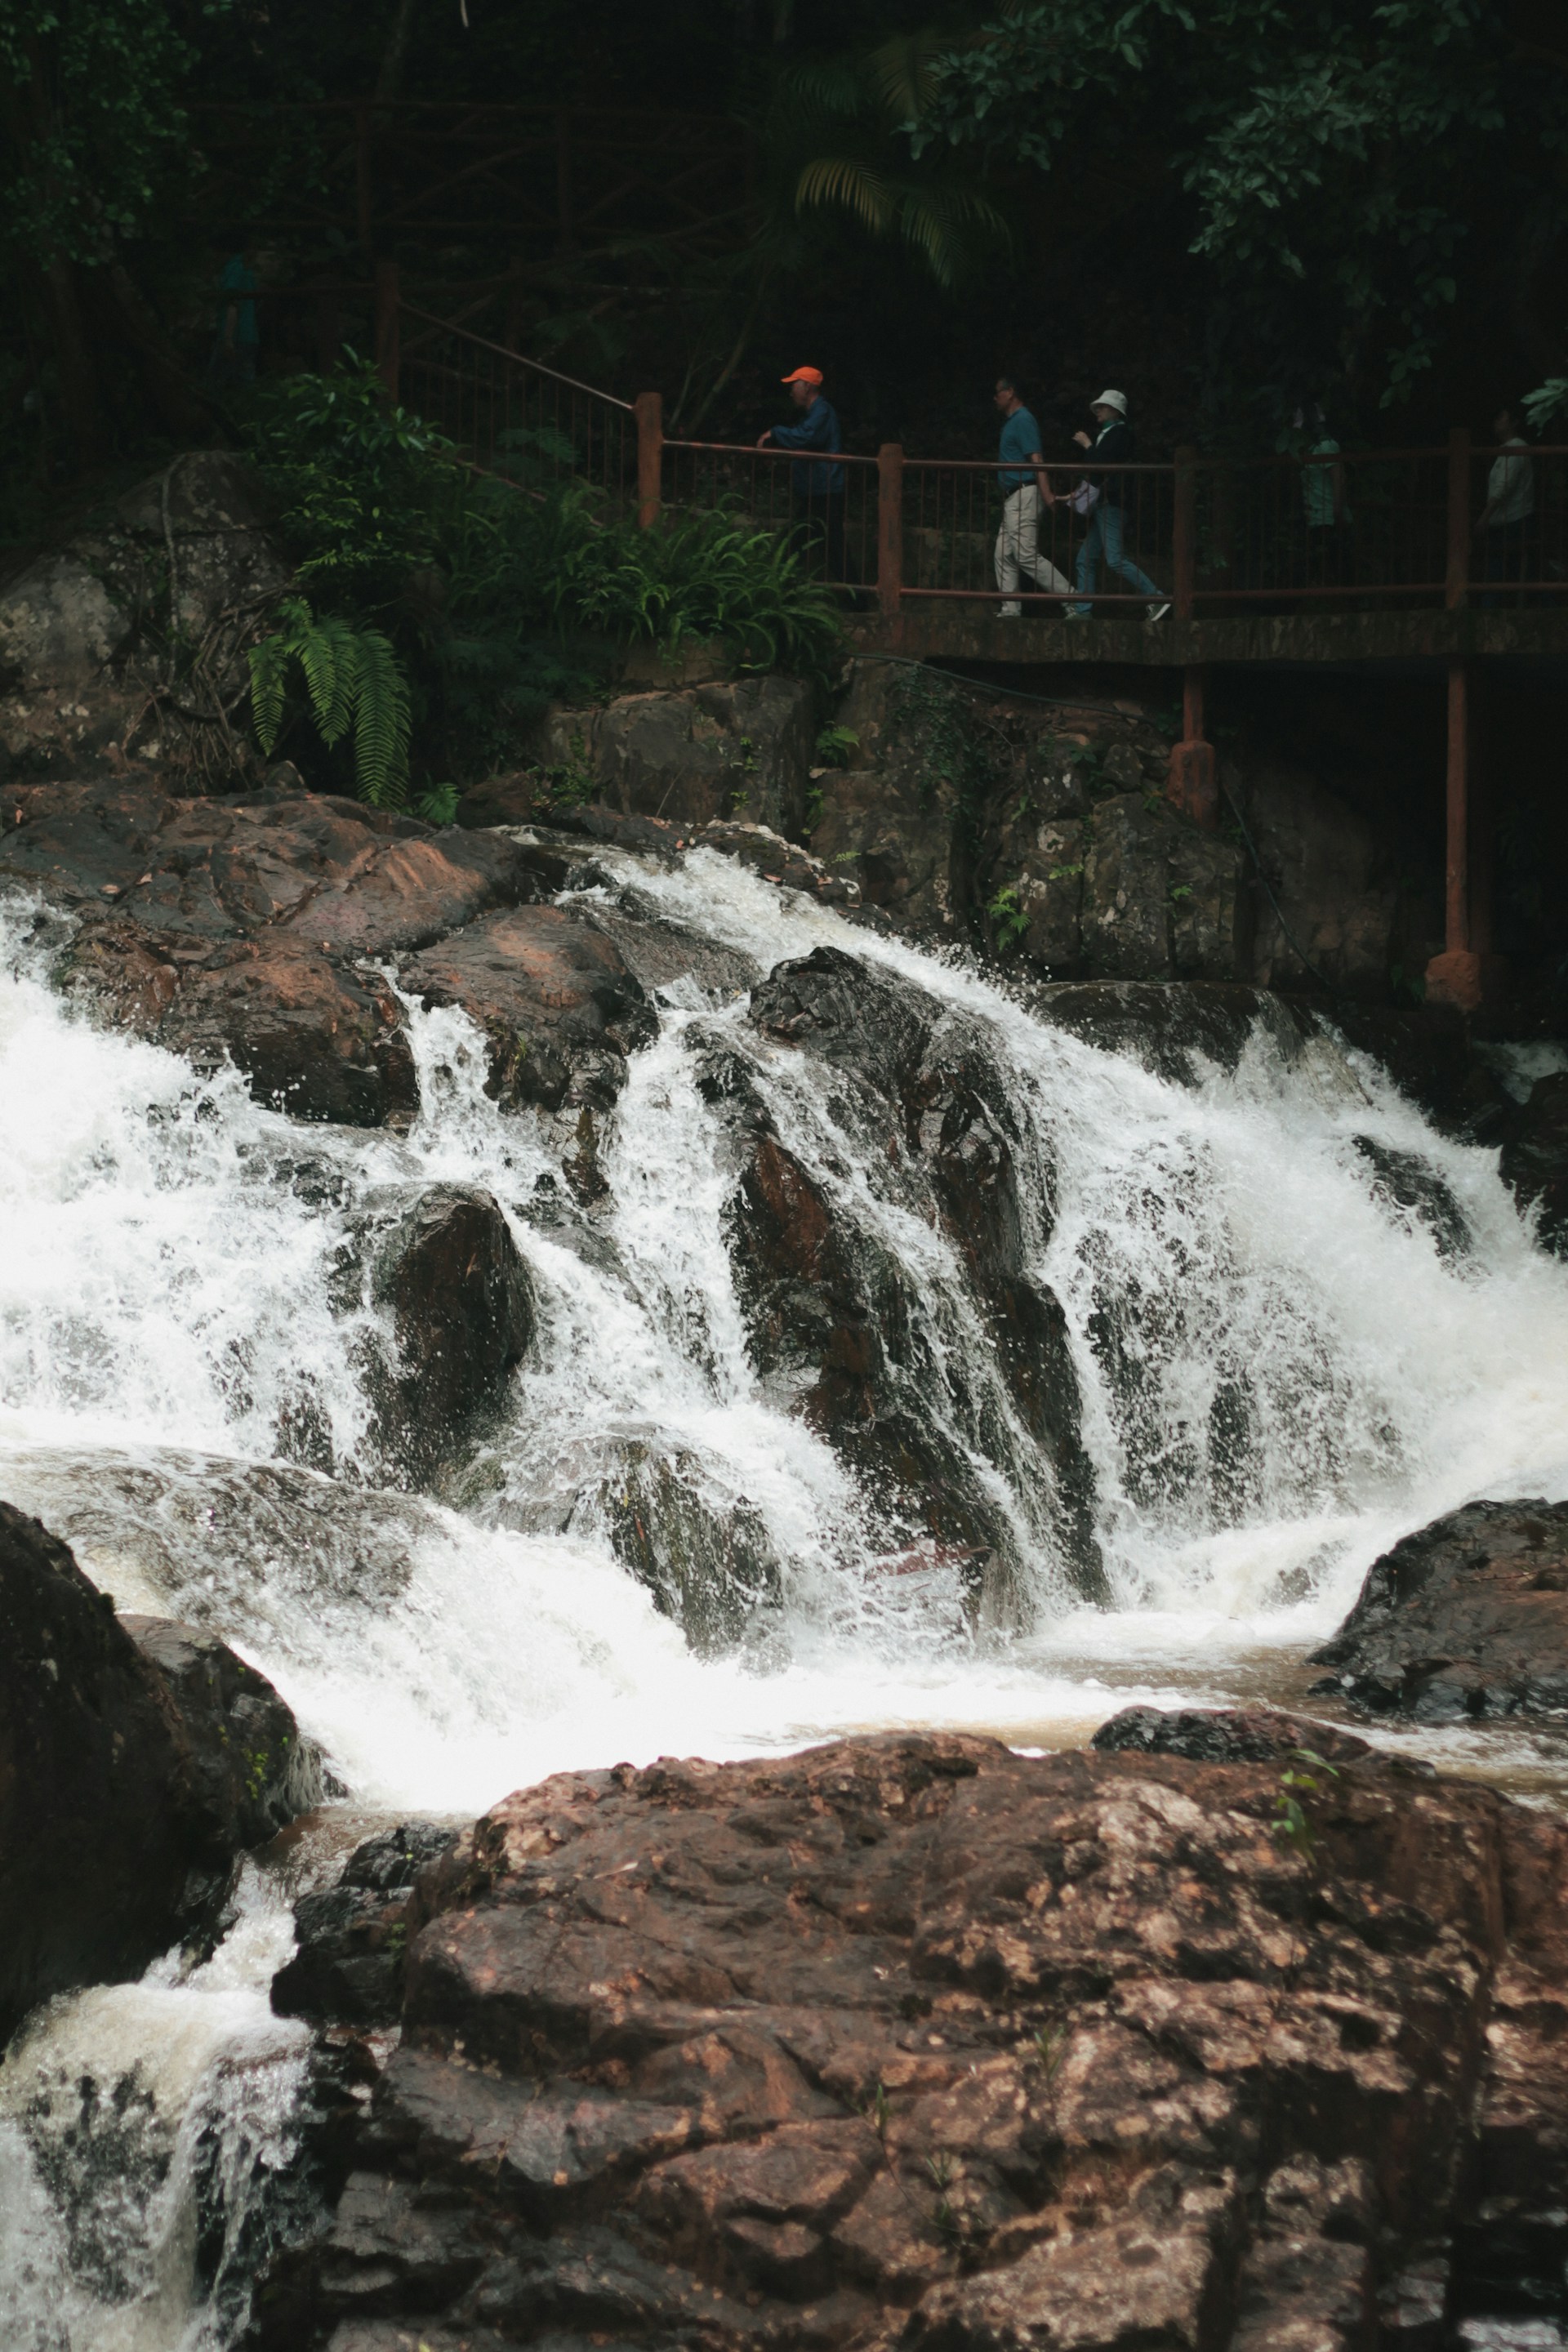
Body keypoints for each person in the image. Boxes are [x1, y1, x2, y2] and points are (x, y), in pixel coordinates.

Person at [1065, 388, 1169, 621]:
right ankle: (1083, 612)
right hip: (1105, 504)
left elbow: (1100, 465)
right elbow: (1097, 475)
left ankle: (1156, 597)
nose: (1098, 411)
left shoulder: (1120, 434)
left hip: (1113, 503)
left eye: (1102, 407)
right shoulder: (1110, 433)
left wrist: (1087, 445)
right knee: (1085, 559)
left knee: (1115, 560)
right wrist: (1075, 496)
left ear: (1114, 410)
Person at [759, 366, 847, 582]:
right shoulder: (816, 413)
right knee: (815, 544)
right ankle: (784, 590)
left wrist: (775, 432)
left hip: (824, 491)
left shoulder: (822, 411)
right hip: (818, 490)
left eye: (794, 385)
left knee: (821, 545)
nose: (791, 391)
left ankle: (781, 590)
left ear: (807, 387)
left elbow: (805, 437)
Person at [991, 375, 1071, 615]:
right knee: (1003, 554)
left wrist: (1047, 494)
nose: (995, 398)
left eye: (998, 392)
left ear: (1010, 392)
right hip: (1013, 497)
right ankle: (1010, 610)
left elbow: (1036, 459)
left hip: (1023, 494)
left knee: (1025, 555)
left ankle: (1075, 599)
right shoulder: (1013, 421)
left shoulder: (1023, 420)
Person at [1477, 403, 1535, 605]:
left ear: (1514, 423)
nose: (1496, 423)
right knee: (1506, 571)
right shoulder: (1507, 449)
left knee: (1497, 572)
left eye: (1501, 419)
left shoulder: (1516, 447)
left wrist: (1484, 517)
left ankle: (1489, 611)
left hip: (1511, 521)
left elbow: (1503, 487)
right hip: (1509, 519)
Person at [1294, 403, 1348, 585]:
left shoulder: (1326, 445)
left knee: (1333, 574)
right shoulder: (1308, 449)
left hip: (1329, 519)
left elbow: (1338, 479)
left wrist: (1337, 512)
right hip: (1316, 519)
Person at [209, 243, 261, 389]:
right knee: (243, 382)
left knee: (218, 383)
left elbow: (232, 304)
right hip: (248, 334)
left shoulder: (234, 269)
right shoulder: (246, 271)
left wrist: (227, 338)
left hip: (236, 336)